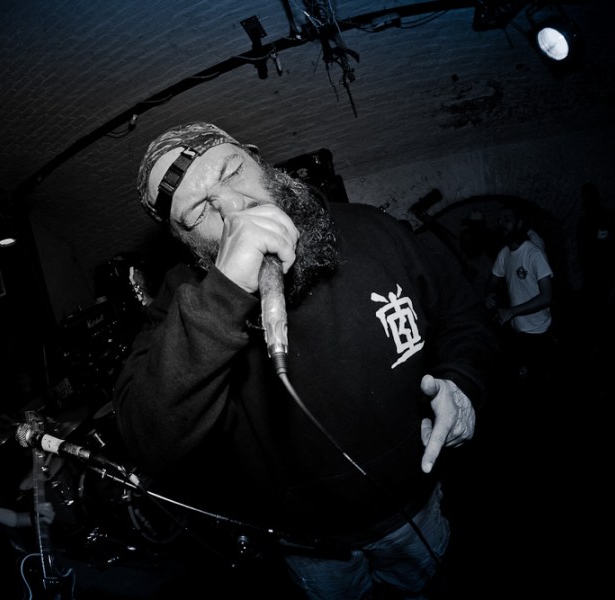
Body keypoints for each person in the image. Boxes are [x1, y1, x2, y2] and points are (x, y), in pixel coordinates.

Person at [113, 122, 497, 599]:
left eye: (232, 172)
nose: (234, 208)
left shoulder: (375, 230)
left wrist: (463, 383)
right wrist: (223, 294)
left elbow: (463, 316)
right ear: (182, 241)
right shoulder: (182, 301)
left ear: (259, 161)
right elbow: (146, 436)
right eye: (198, 212)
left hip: (412, 510)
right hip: (309, 544)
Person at [484, 203, 555, 388]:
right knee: (517, 380)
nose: (502, 224)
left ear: (519, 223)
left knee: (538, 381)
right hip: (517, 329)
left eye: (507, 220)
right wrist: (489, 294)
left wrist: (512, 311)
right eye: (499, 220)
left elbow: (547, 297)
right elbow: (492, 281)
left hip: (539, 332)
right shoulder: (505, 253)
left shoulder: (533, 253)